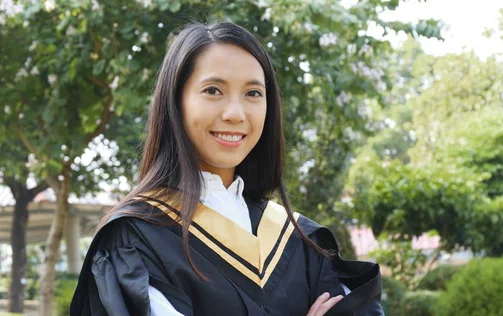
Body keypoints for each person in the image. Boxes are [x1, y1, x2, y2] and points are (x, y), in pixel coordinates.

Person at [70, 21, 383, 316]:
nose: (236, 113)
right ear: (175, 102)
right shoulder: (135, 241)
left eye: (253, 93)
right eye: (213, 91)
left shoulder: (301, 241)